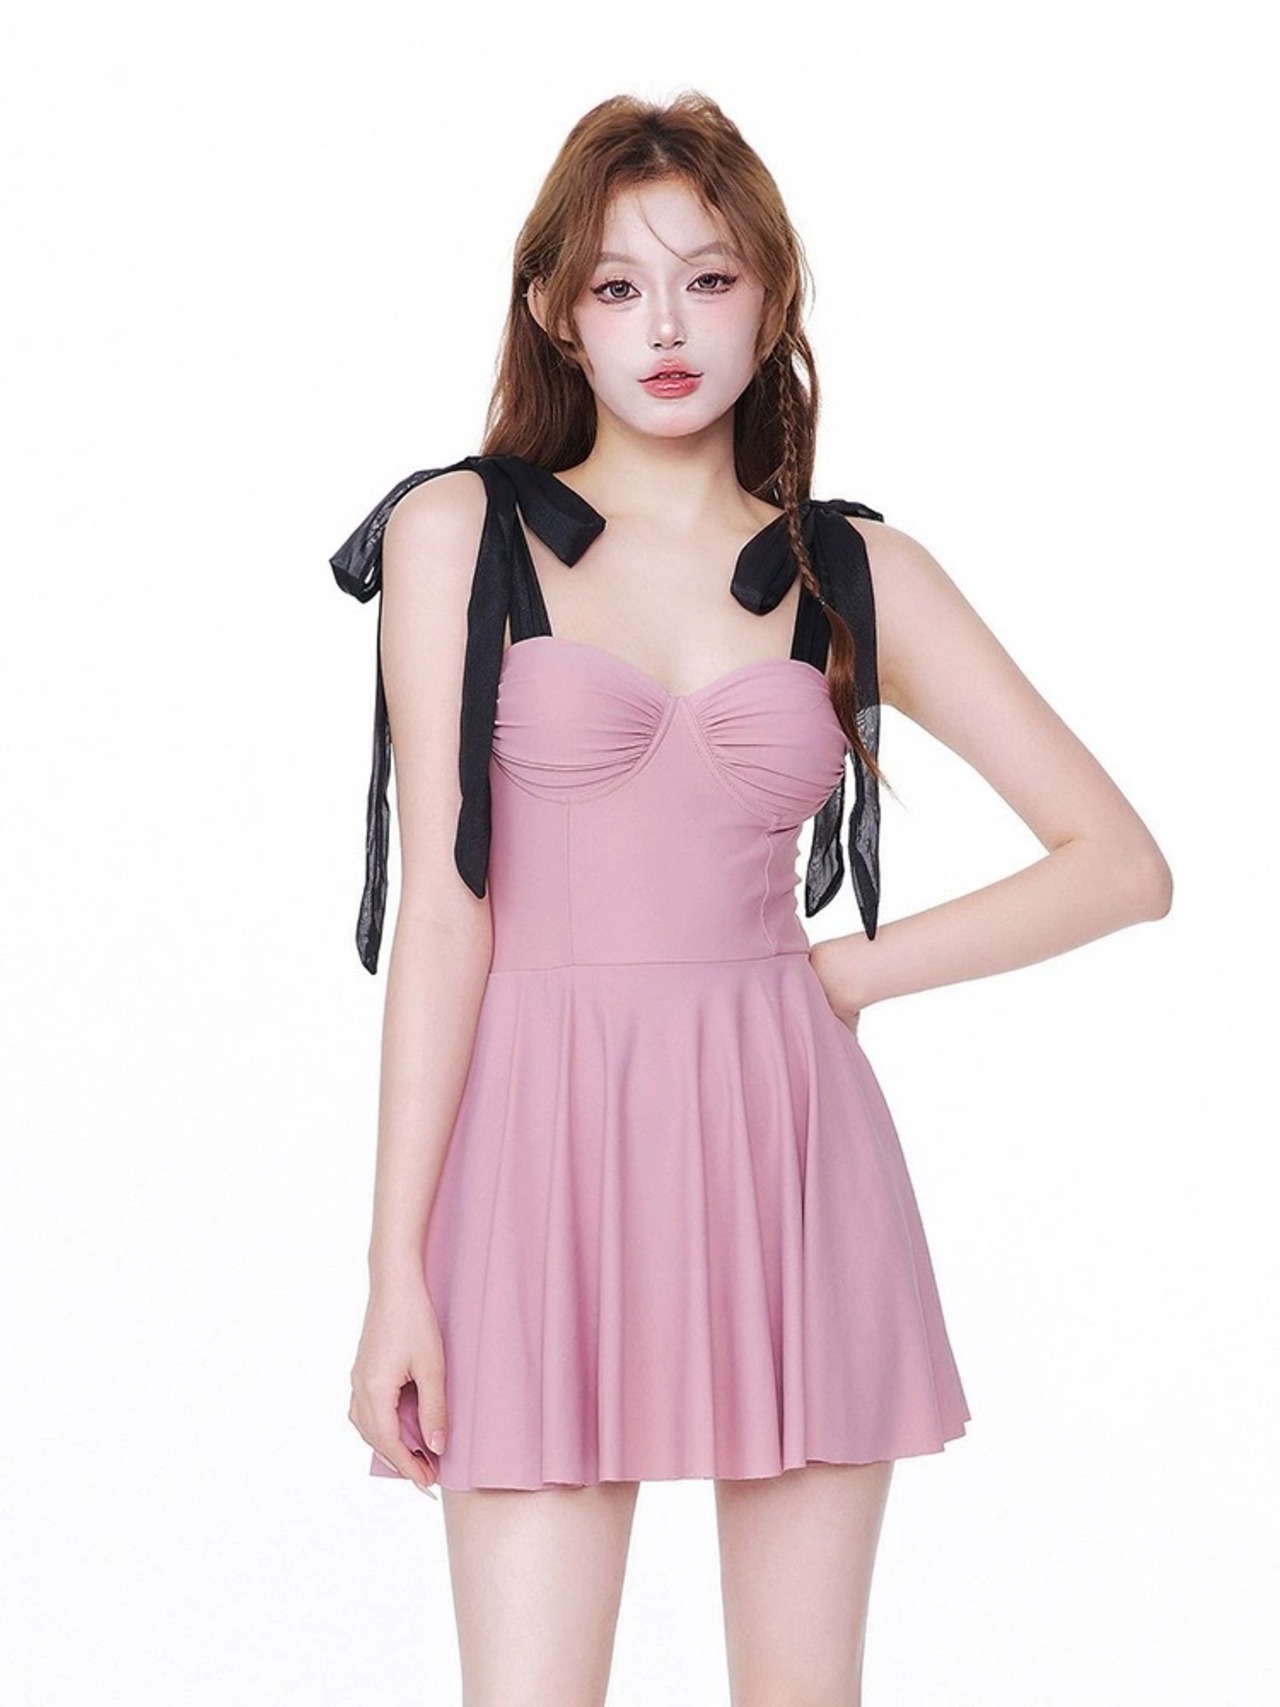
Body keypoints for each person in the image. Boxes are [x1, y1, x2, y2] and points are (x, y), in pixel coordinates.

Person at [333, 90, 1172, 1707]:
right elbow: (443, 913)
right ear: (554, 310)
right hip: (539, 1153)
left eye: (708, 280)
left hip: (788, 1149)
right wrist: (395, 1273)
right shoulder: (459, 532)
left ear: (772, 299)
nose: (666, 327)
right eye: (619, 284)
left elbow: (1120, 864)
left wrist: (843, 977)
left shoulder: (853, 571)